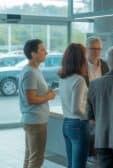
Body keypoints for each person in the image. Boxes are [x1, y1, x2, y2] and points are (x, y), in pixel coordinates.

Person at [19, 39, 56, 168]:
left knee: (30, 157)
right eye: (42, 50)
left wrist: (47, 92)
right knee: (36, 159)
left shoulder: (34, 70)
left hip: (34, 120)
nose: (46, 52)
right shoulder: (30, 72)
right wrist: (49, 96)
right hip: (35, 121)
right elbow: (31, 99)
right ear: (33, 54)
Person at [58, 43, 89, 168]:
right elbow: (76, 108)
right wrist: (90, 116)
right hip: (78, 125)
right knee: (79, 165)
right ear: (80, 59)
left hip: (66, 123)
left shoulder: (63, 78)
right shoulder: (79, 80)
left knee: (71, 164)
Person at [85, 36, 110, 163]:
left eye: (99, 49)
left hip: (103, 109)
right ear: (86, 49)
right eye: (93, 49)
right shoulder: (80, 66)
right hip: (86, 109)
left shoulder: (106, 65)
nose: (96, 52)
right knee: (89, 143)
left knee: (100, 144)